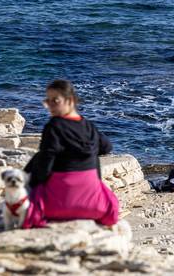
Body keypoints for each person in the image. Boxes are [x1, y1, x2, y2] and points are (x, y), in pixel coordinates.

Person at [22, 79, 119, 228]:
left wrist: (32, 185)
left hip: (58, 204)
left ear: (71, 100)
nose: (50, 106)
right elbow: (106, 147)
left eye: (55, 100)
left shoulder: (54, 126)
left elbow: (45, 164)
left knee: (37, 160)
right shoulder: (88, 126)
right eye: (48, 101)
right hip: (94, 205)